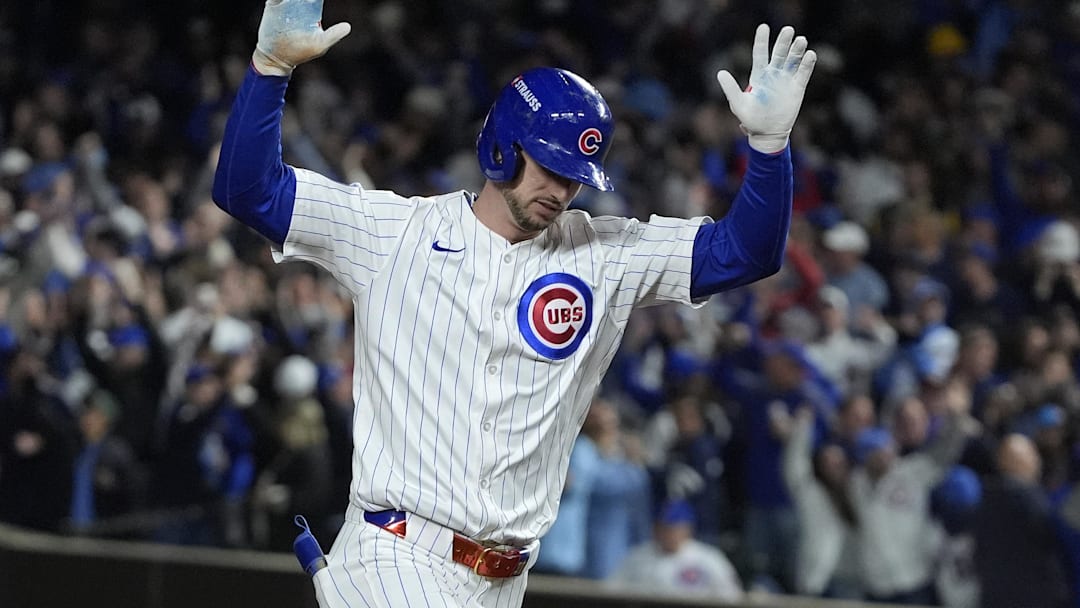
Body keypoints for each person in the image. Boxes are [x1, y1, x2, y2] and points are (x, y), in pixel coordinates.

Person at [212, 0, 816, 605]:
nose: (561, 188)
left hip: (505, 581)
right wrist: (269, 70)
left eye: (575, 174)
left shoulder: (603, 256)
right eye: (549, 165)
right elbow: (248, 189)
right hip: (395, 555)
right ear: (504, 145)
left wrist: (768, 147)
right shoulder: (393, 233)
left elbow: (746, 254)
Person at [608, 499, 744, 601]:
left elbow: (731, 597)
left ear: (687, 529)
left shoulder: (709, 558)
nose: (667, 533)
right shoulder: (638, 557)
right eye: (663, 527)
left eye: (673, 528)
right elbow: (611, 592)